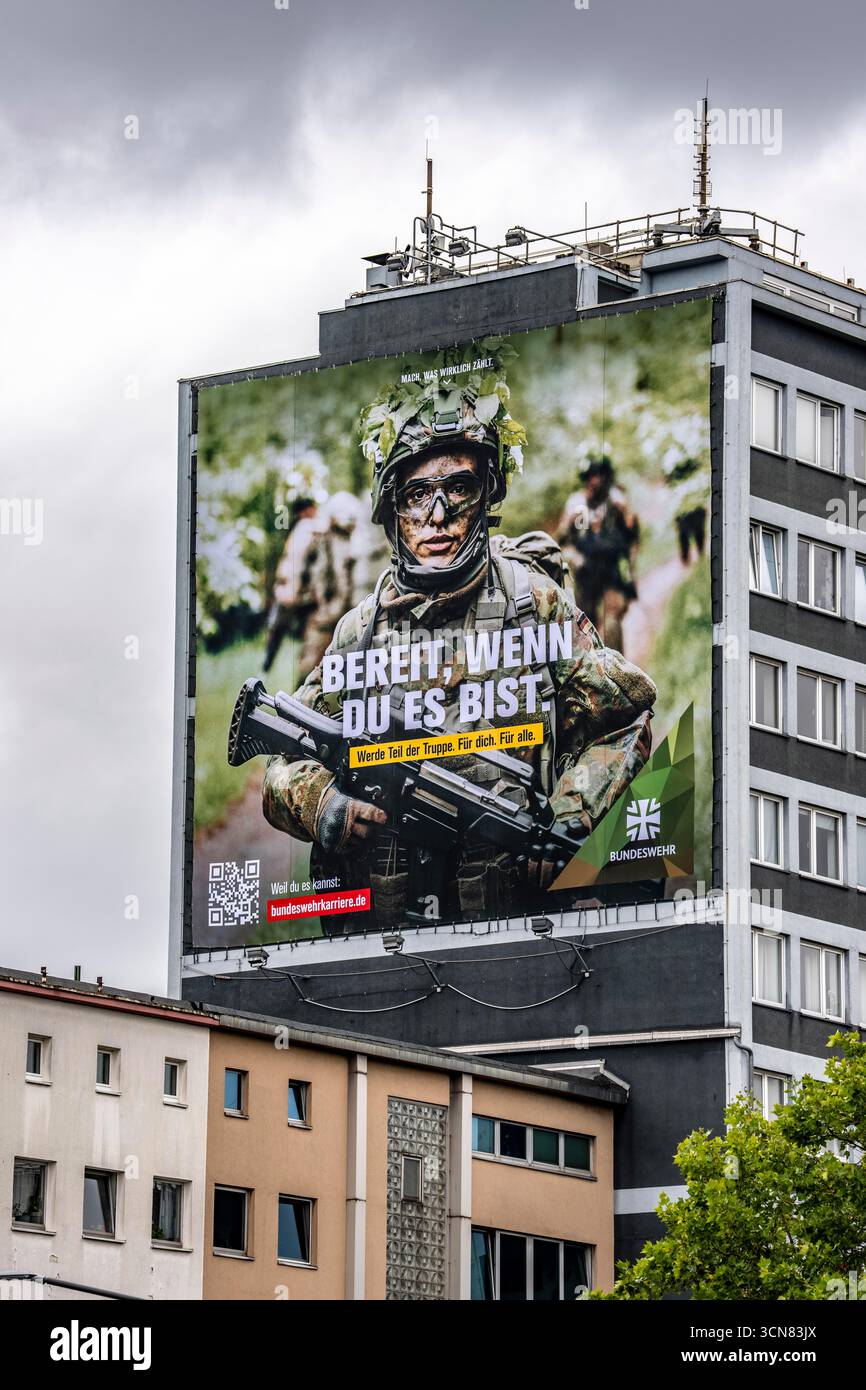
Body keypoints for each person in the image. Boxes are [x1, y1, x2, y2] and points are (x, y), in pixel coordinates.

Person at [261, 364, 658, 930]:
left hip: (518, 937)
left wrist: (572, 816)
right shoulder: (361, 632)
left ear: (487, 492)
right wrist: (324, 805)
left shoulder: (533, 604)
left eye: (458, 489)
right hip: (382, 951)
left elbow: (627, 718)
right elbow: (281, 761)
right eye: (417, 494)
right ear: (392, 510)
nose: (437, 516)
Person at [557, 456, 639, 655]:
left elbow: (632, 538)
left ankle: (618, 672)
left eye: (599, 475)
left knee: (612, 623)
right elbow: (560, 541)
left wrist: (629, 573)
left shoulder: (617, 501)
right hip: (586, 573)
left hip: (612, 572)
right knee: (586, 627)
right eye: (591, 476)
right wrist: (575, 558)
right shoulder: (575, 504)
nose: (595, 481)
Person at [296, 490, 366, 682]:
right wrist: (322, 607)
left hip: (350, 616)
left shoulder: (355, 540)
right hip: (324, 616)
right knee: (310, 669)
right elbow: (317, 574)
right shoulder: (323, 538)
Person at [262, 494, 323, 674]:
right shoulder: (308, 528)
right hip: (294, 591)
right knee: (290, 632)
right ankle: (268, 668)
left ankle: (266, 668)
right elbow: (296, 563)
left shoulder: (303, 528)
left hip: (291, 590)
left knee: (278, 632)